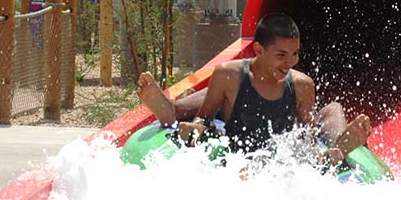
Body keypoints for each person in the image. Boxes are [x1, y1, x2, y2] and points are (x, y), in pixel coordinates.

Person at [138, 13, 371, 164]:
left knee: (332, 109)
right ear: (258, 50)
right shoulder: (228, 74)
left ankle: (340, 146)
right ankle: (169, 109)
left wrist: (318, 156)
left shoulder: (301, 84)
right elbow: (205, 117)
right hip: (232, 117)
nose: (290, 62)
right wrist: (198, 126)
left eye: (295, 54)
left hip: (279, 147)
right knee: (193, 114)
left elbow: (305, 136)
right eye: (281, 55)